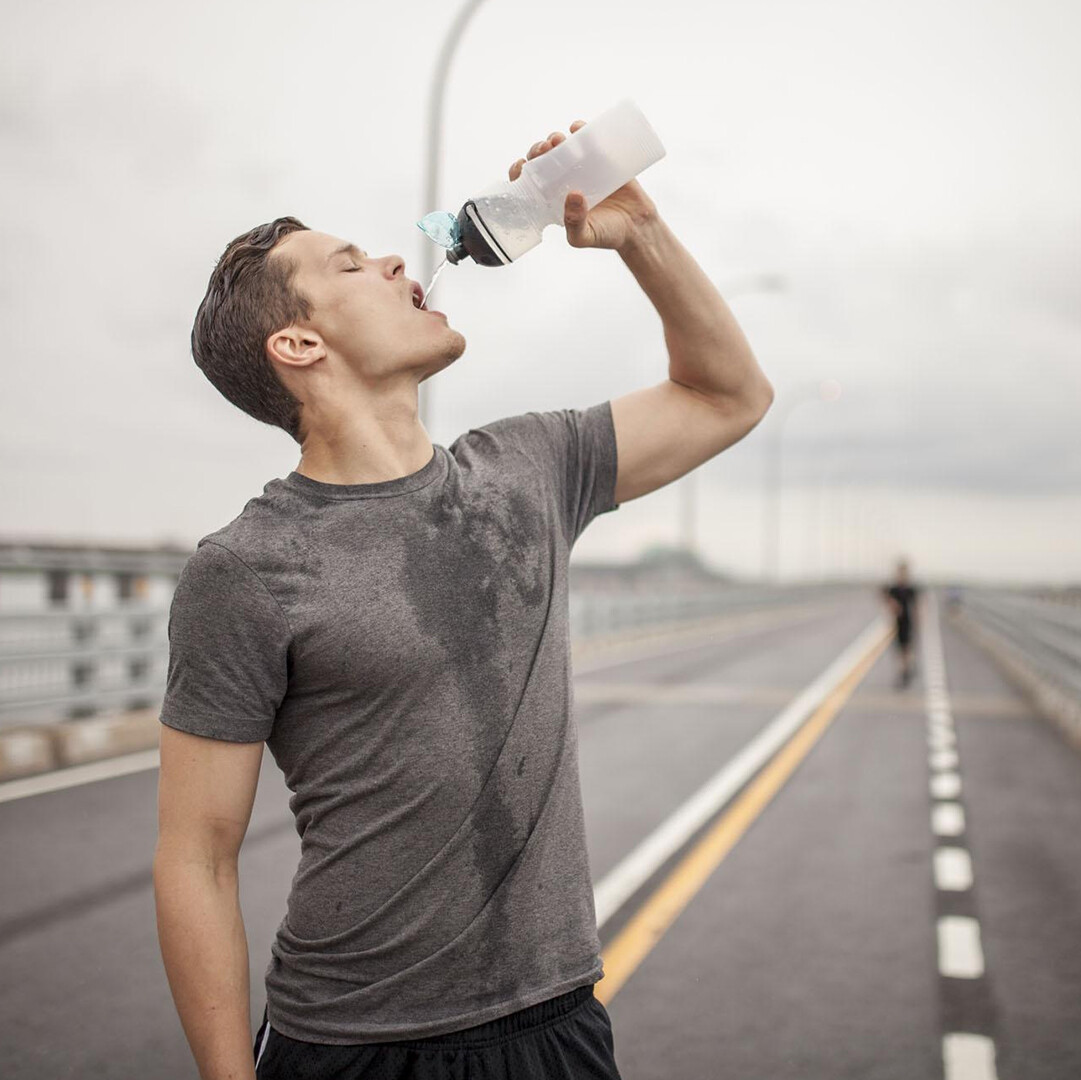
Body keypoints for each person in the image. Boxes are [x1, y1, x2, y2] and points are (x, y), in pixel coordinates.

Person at [153, 119, 774, 1080]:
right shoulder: (247, 568)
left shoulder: (528, 466)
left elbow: (729, 396)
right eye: (352, 264)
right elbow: (196, 857)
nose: (396, 260)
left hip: (555, 1024)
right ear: (300, 342)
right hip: (353, 1046)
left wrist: (641, 235)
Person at [882, 558, 919, 689]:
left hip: (907, 621)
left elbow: (916, 606)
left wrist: (917, 620)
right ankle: (905, 671)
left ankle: (906, 672)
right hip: (897, 622)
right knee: (899, 649)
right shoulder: (894, 589)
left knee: (906, 648)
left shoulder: (910, 589)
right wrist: (893, 604)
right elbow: (884, 596)